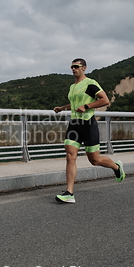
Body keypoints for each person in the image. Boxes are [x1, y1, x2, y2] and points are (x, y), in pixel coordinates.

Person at [53, 58, 125, 203]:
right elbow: (75, 104)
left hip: (88, 124)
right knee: (70, 155)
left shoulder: (90, 83)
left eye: (76, 66)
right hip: (74, 124)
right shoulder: (73, 87)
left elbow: (105, 100)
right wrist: (62, 108)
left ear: (84, 68)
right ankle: (69, 193)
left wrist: (87, 106)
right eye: (71, 67)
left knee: (95, 160)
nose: (73, 69)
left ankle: (116, 168)